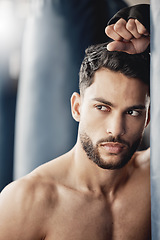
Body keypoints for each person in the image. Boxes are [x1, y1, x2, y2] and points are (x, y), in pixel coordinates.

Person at [0, 5, 151, 240]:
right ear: (77, 107)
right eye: (102, 107)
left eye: (132, 112)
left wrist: (156, 24)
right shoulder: (26, 202)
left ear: (147, 118)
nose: (116, 129)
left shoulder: (153, 177)